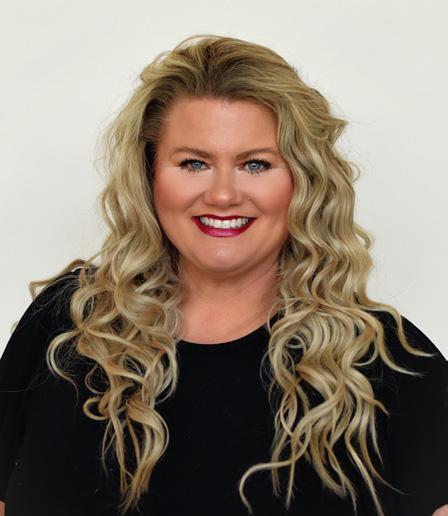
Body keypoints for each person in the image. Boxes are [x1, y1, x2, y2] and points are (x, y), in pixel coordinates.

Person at [0, 34, 447, 516]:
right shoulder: (68, 324)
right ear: (150, 175)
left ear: (304, 181)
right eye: (194, 163)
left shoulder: (394, 363)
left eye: (256, 164)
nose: (223, 195)